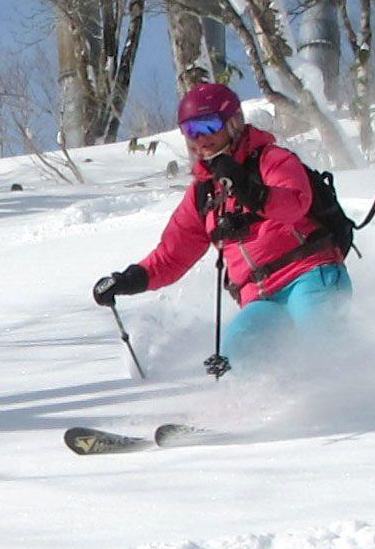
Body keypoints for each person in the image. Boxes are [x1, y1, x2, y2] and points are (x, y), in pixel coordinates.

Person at [91, 83, 352, 374]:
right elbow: (172, 255)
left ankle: (354, 408)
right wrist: (127, 280)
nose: (199, 138)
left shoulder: (271, 160)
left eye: (208, 125)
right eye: (190, 130)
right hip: (260, 298)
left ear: (233, 123)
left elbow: (294, 204)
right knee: (239, 350)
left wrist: (248, 188)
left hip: (310, 274)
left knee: (321, 342)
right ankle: (251, 415)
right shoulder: (204, 194)